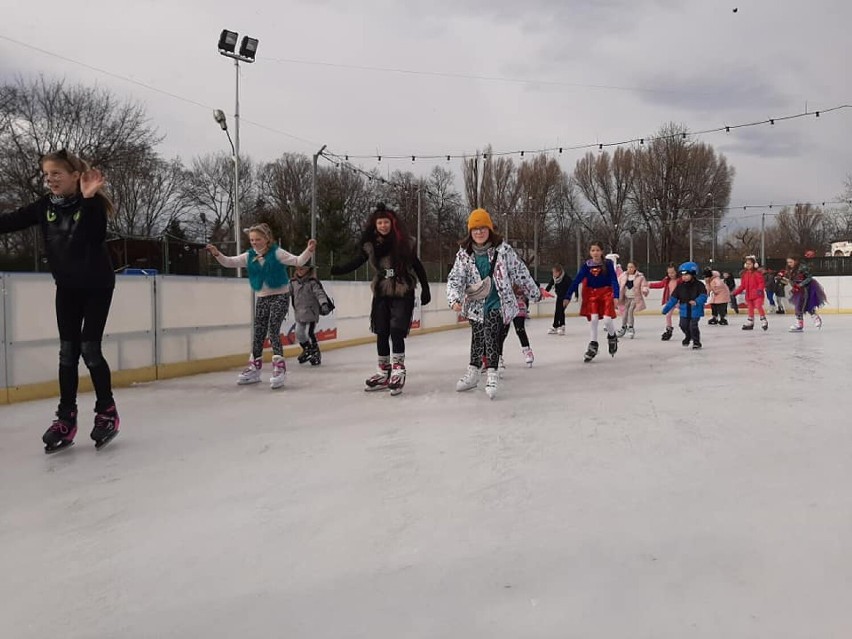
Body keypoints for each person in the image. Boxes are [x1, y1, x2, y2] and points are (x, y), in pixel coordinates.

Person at [0, 149, 120, 453]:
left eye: (56, 173)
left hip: (96, 285)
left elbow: (95, 236)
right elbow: (9, 222)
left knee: (90, 348)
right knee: (67, 352)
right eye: (46, 174)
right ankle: (66, 417)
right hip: (66, 286)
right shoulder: (44, 206)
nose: (50, 179)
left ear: (75, 176)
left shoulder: (88, 204)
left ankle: (107, 412)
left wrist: (90, 199)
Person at [330, 203, 431, 395]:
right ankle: (383, 370)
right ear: (375, 225)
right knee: (382, 331)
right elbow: (357, 262)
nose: (383, 226)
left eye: (386, 222)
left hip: (403, 289)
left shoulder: (404, 243)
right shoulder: (371, 245)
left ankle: (398, 368)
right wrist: (337, 270)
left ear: (392, 224)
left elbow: (417, 265)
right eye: (380, 223)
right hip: (382, 291)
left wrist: (425, 288)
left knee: (396, 330)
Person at [207, 224, 315, 389]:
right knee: (258, 331)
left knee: (273, 328)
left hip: (280, 296)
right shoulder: (249, 256)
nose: (254, 243)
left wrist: (309, 250)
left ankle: (279, 367)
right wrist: (217, 254)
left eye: (258, 239)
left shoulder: (277, 253)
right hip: (262, 298)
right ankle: (254, 367)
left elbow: (298, 261)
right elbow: (229, 262)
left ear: (266, 239)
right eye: (252, 240)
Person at [447, 208, 540, 398]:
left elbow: (520, 272)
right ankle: (473, 373)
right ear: (470, 232)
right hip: (475, 305)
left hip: (498, 303)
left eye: (483, 228)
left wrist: (534, 292)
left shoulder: (503, 251)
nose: (479, 232)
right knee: (477, 338)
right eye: (475, 229)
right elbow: (455, 278)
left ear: (490, 229)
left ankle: (492, 374)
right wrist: (454, 298)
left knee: (491, 336)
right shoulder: (464, 254)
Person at [563, 241, 620, 362]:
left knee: (607, 319)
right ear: (590, 252)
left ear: (602, 252)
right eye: (593, 250)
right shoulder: (587, 266)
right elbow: (576, 281)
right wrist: (568, 296)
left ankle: (612, 337)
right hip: (592, 295)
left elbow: (614, 280)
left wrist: (616, 296)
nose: (595, 253)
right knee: (593, 319)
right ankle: (593, 344)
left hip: (607, 294)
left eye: (598, 250)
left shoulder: (608, 264)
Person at [289, 264, 332, 366]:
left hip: (311, 313)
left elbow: (319, 293)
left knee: (309, 333)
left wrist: (324, 303)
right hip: (299, 313)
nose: (299, 271)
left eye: (302, 269)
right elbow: (287, 293)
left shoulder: (312, 282)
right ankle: (307, 349)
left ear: (308, 270)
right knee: (299, 333)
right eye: (298, 269)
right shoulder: (293, 282)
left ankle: (316, 353)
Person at [662, 261, 708, 349]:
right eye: (682, 275)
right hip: (684, 310)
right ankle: (688, 336)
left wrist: (696, 301)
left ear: (693, 274)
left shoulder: (699, 285)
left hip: (695, 310)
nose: (684, 277)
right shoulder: (680, 286)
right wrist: (666, 308)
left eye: (686, 275)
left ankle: (696, 342)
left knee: (693, 326)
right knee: (683, 325)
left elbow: (704, 296)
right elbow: (673, 299)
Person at [782, 255, 827, 332]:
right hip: (797, 289)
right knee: (798, 306)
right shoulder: (789, 269)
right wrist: (783, 279)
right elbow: (790, 280)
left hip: (806, 288)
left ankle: (815, 318)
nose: (789, 264)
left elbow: (809, 277)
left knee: (805, 305)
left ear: (795, 261)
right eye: (788, 262)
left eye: (791, 262)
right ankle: (800, 324)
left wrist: (800, 284)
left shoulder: (802, 267)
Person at [499, 285, 535, 367]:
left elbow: (532, 285)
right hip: (506, 306)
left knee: (520, 329)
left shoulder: (521, 275)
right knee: (503, 332)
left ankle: (527, 351)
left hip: (519, 306)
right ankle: (498, 356)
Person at [732, 256, 768, 331]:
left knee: (758, 306)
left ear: (754, 265)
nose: (748, 265)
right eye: (747, 264)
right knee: (750, 308)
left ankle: (763, 320)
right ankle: (750, 322)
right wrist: (735, 293)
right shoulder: (745, 275)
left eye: (750, 264)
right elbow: (742, 286)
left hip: (758, 295)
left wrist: (759, 290)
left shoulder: (757, 273)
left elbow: (761, 283)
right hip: (748, 295)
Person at [616, 260, 649, 339]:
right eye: (628, 267)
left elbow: (644, 285)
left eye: (631, 267)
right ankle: (623, 327)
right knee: (625, 312)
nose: (629, 269)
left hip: (635, 298)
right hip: (626, 298)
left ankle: (630, 327)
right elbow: (617, 282)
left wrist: (645, 290)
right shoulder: (623, 275)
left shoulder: (640, 277)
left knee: (630, 311)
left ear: (635, 268)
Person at [648, 263, 681, 340]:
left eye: (672, 272)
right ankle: (669, 329)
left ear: (676, 272)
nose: (671, 274)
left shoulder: (680, 280)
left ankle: (689, 329)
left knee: (684, 315)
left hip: (680, 301)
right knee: (668, 315)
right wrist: (650, 285)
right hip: (671, 301)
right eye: (669, 273)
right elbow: (660, 284)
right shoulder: (667, 280)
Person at [544, 264, 574, 335]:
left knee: (561, 310)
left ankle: (562, 326)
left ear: (559, 272)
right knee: (557, 310)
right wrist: (544, 292)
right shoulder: (555, 278)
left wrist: (574, 296)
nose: (553, 274)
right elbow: (550, 285)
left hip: (566, 297)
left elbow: (572, 286)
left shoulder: (566, 278)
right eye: (553, 272)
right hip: (559, 296)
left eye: (555, 272)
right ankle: (555, 326)